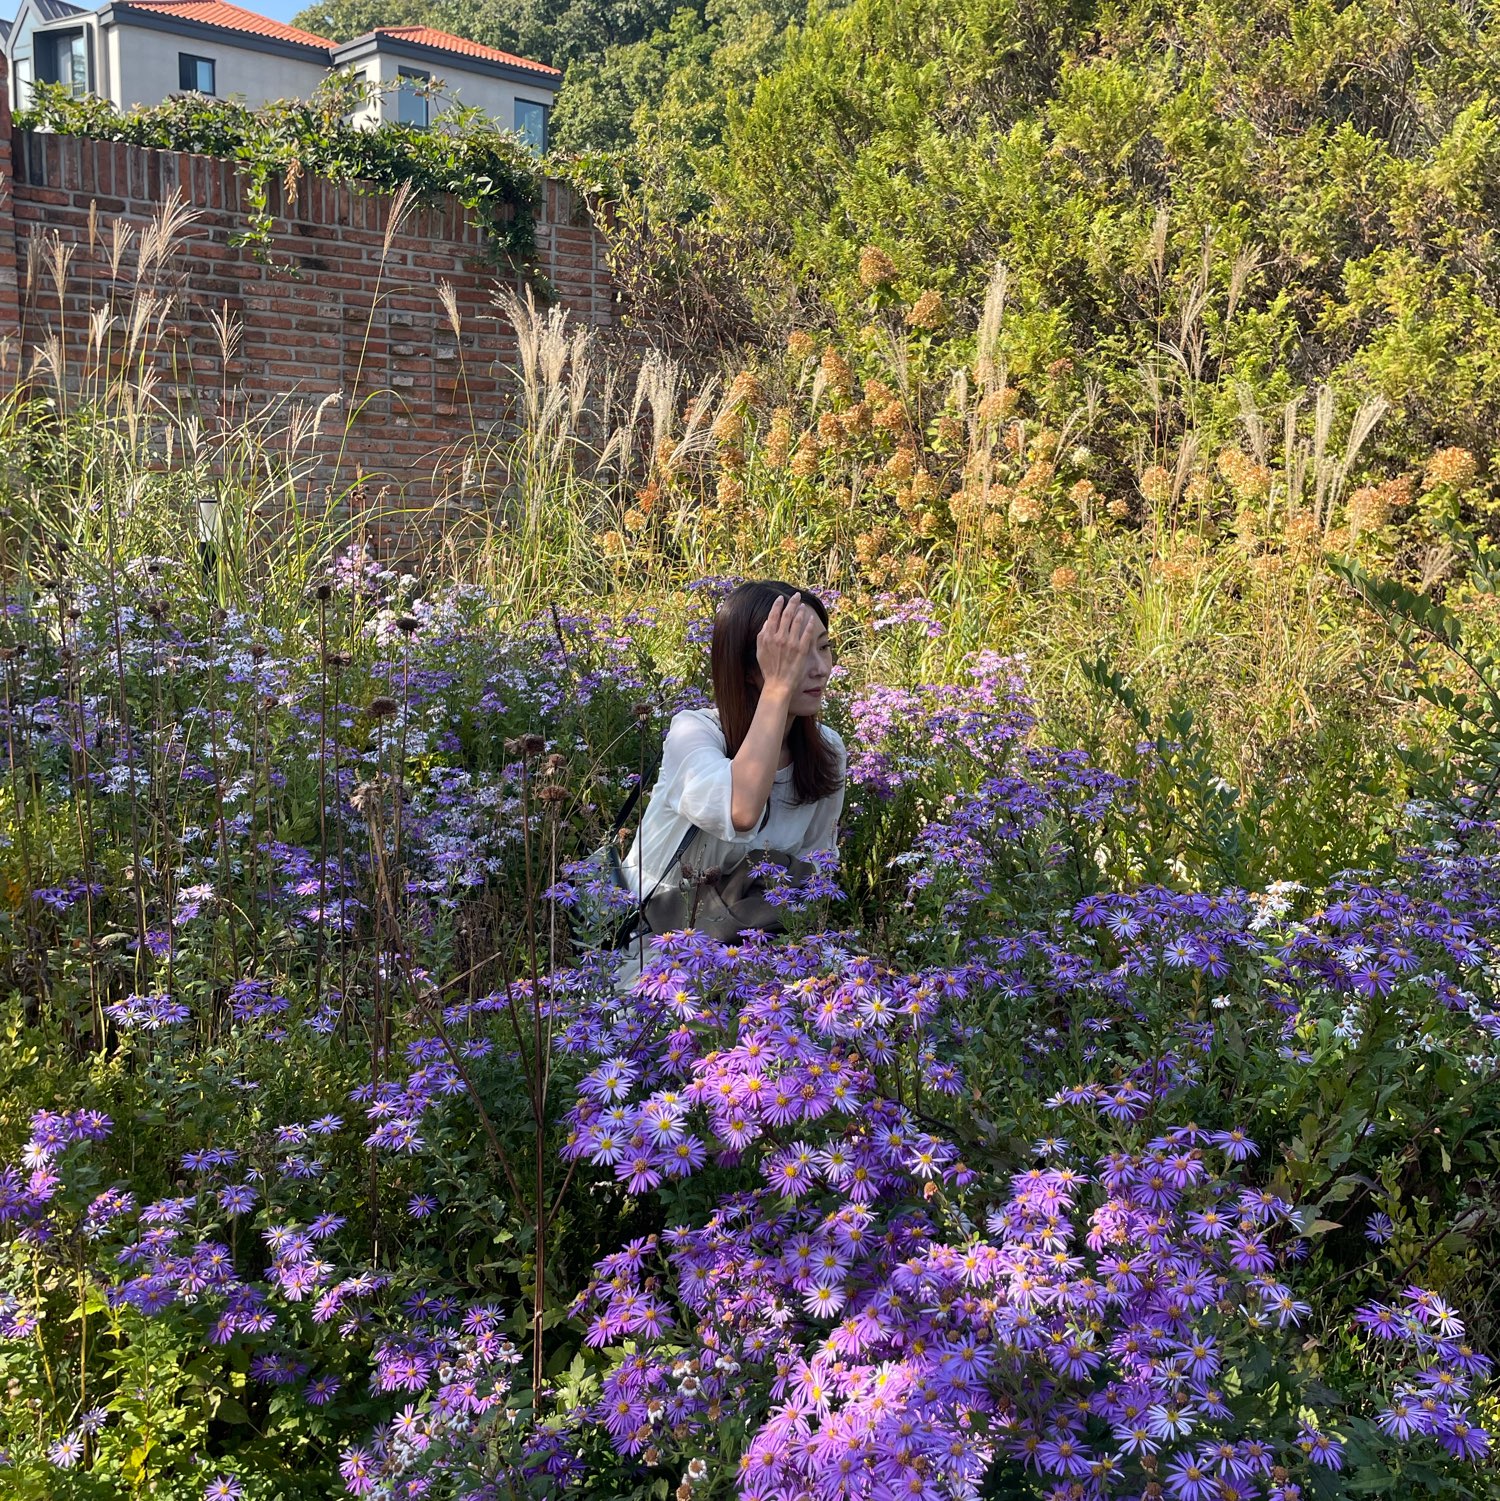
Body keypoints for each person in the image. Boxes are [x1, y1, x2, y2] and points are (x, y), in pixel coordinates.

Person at [615, 580, 846, 980]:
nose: (820, 668)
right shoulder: (693, 734)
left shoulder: (827, 750)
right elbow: (740, 811)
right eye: (793, 654)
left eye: (823, 646)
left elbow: (815, 873)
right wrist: (778, 686)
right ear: (748, 669)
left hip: (756, 950)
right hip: (655, 949)